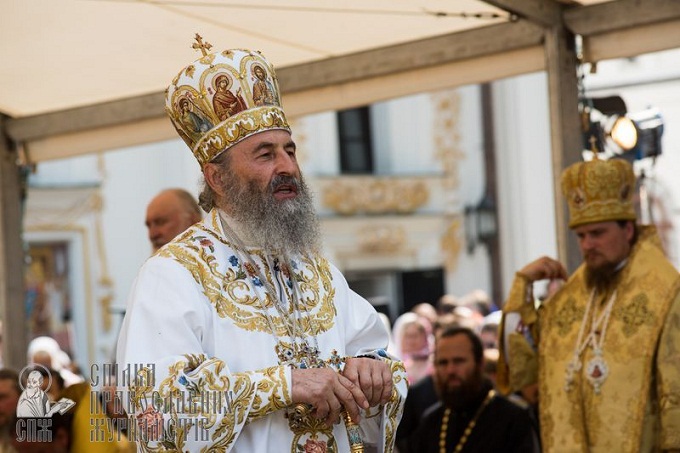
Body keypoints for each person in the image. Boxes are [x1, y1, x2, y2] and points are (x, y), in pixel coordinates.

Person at [118, 40, 407, 452]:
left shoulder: (317, 271)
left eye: (289, 150)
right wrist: (283, 385)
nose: (287, 167)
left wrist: (373, 371)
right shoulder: (173, 275)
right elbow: (154, 408)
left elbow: (379, 359)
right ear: (217, 178)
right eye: (265, 154)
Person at [498, 156, 680, 453]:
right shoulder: (569, 299)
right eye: (581, 236)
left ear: (628, 230)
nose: (587, 245)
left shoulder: (666, 293)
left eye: (597, 233)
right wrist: (523, 287)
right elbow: (522, 370)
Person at [407, 326, 538, 453]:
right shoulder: (431, 422)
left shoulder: (512, 418)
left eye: (459, 361)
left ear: (480, 363)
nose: (450, 370)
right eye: (443, 363)